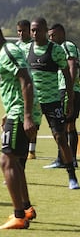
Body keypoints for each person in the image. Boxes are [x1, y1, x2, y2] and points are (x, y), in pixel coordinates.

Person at [0, 20, 38, 230]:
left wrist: (27, 116)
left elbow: (27, 81)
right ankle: (27, 208)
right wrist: (8, 112)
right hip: (16, 111)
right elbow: (16, 85)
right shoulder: (3, 52)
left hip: (21, 113)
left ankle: (19, 215)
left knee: (6, 161)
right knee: (16, 163)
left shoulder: (9, 51)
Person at [22, 17, 79, 189]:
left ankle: (72, 177)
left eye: (37, 30)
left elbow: (68, 76)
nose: (34, 33)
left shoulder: (56, 50)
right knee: (24, 139)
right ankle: (19, 173)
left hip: (53, 101)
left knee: (60, 137)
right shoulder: (26, 49)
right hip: (33, 103)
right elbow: (22, 78)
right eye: (32, 30)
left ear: (45, 30)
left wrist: (69, 99)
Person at [43, 23, 79, 169]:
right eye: (49, 36)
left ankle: (64, 159)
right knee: (68, 125)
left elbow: (72, 66)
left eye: (54, 35)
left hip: (67, 89)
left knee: (63, 126)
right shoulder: (58, 49)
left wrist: (69, 91)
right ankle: (69, 158)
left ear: (62, 34)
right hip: (69, 89)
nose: (51, 38)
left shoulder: (66, 46)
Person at [16, 19, 39, 160]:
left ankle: (32, 150)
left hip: (36, 88)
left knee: (34, 120)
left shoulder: (35, 45)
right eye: (19, 30)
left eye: (23, 30)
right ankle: (25, 150)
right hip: (20, 88)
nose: (21, 33)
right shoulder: (16, 47)